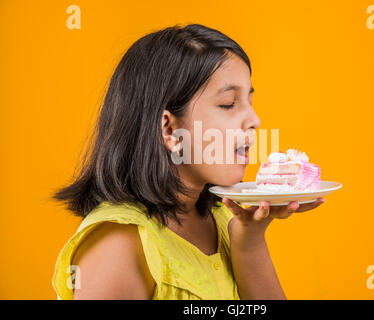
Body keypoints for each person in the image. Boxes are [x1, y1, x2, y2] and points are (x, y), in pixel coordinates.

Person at [51, 23, 325, 300]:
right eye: (229, 103)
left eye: (249, 101)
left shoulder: (222, 217)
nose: (255, 120)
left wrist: (250, 241)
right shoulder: (118, 245)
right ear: (170, 129)